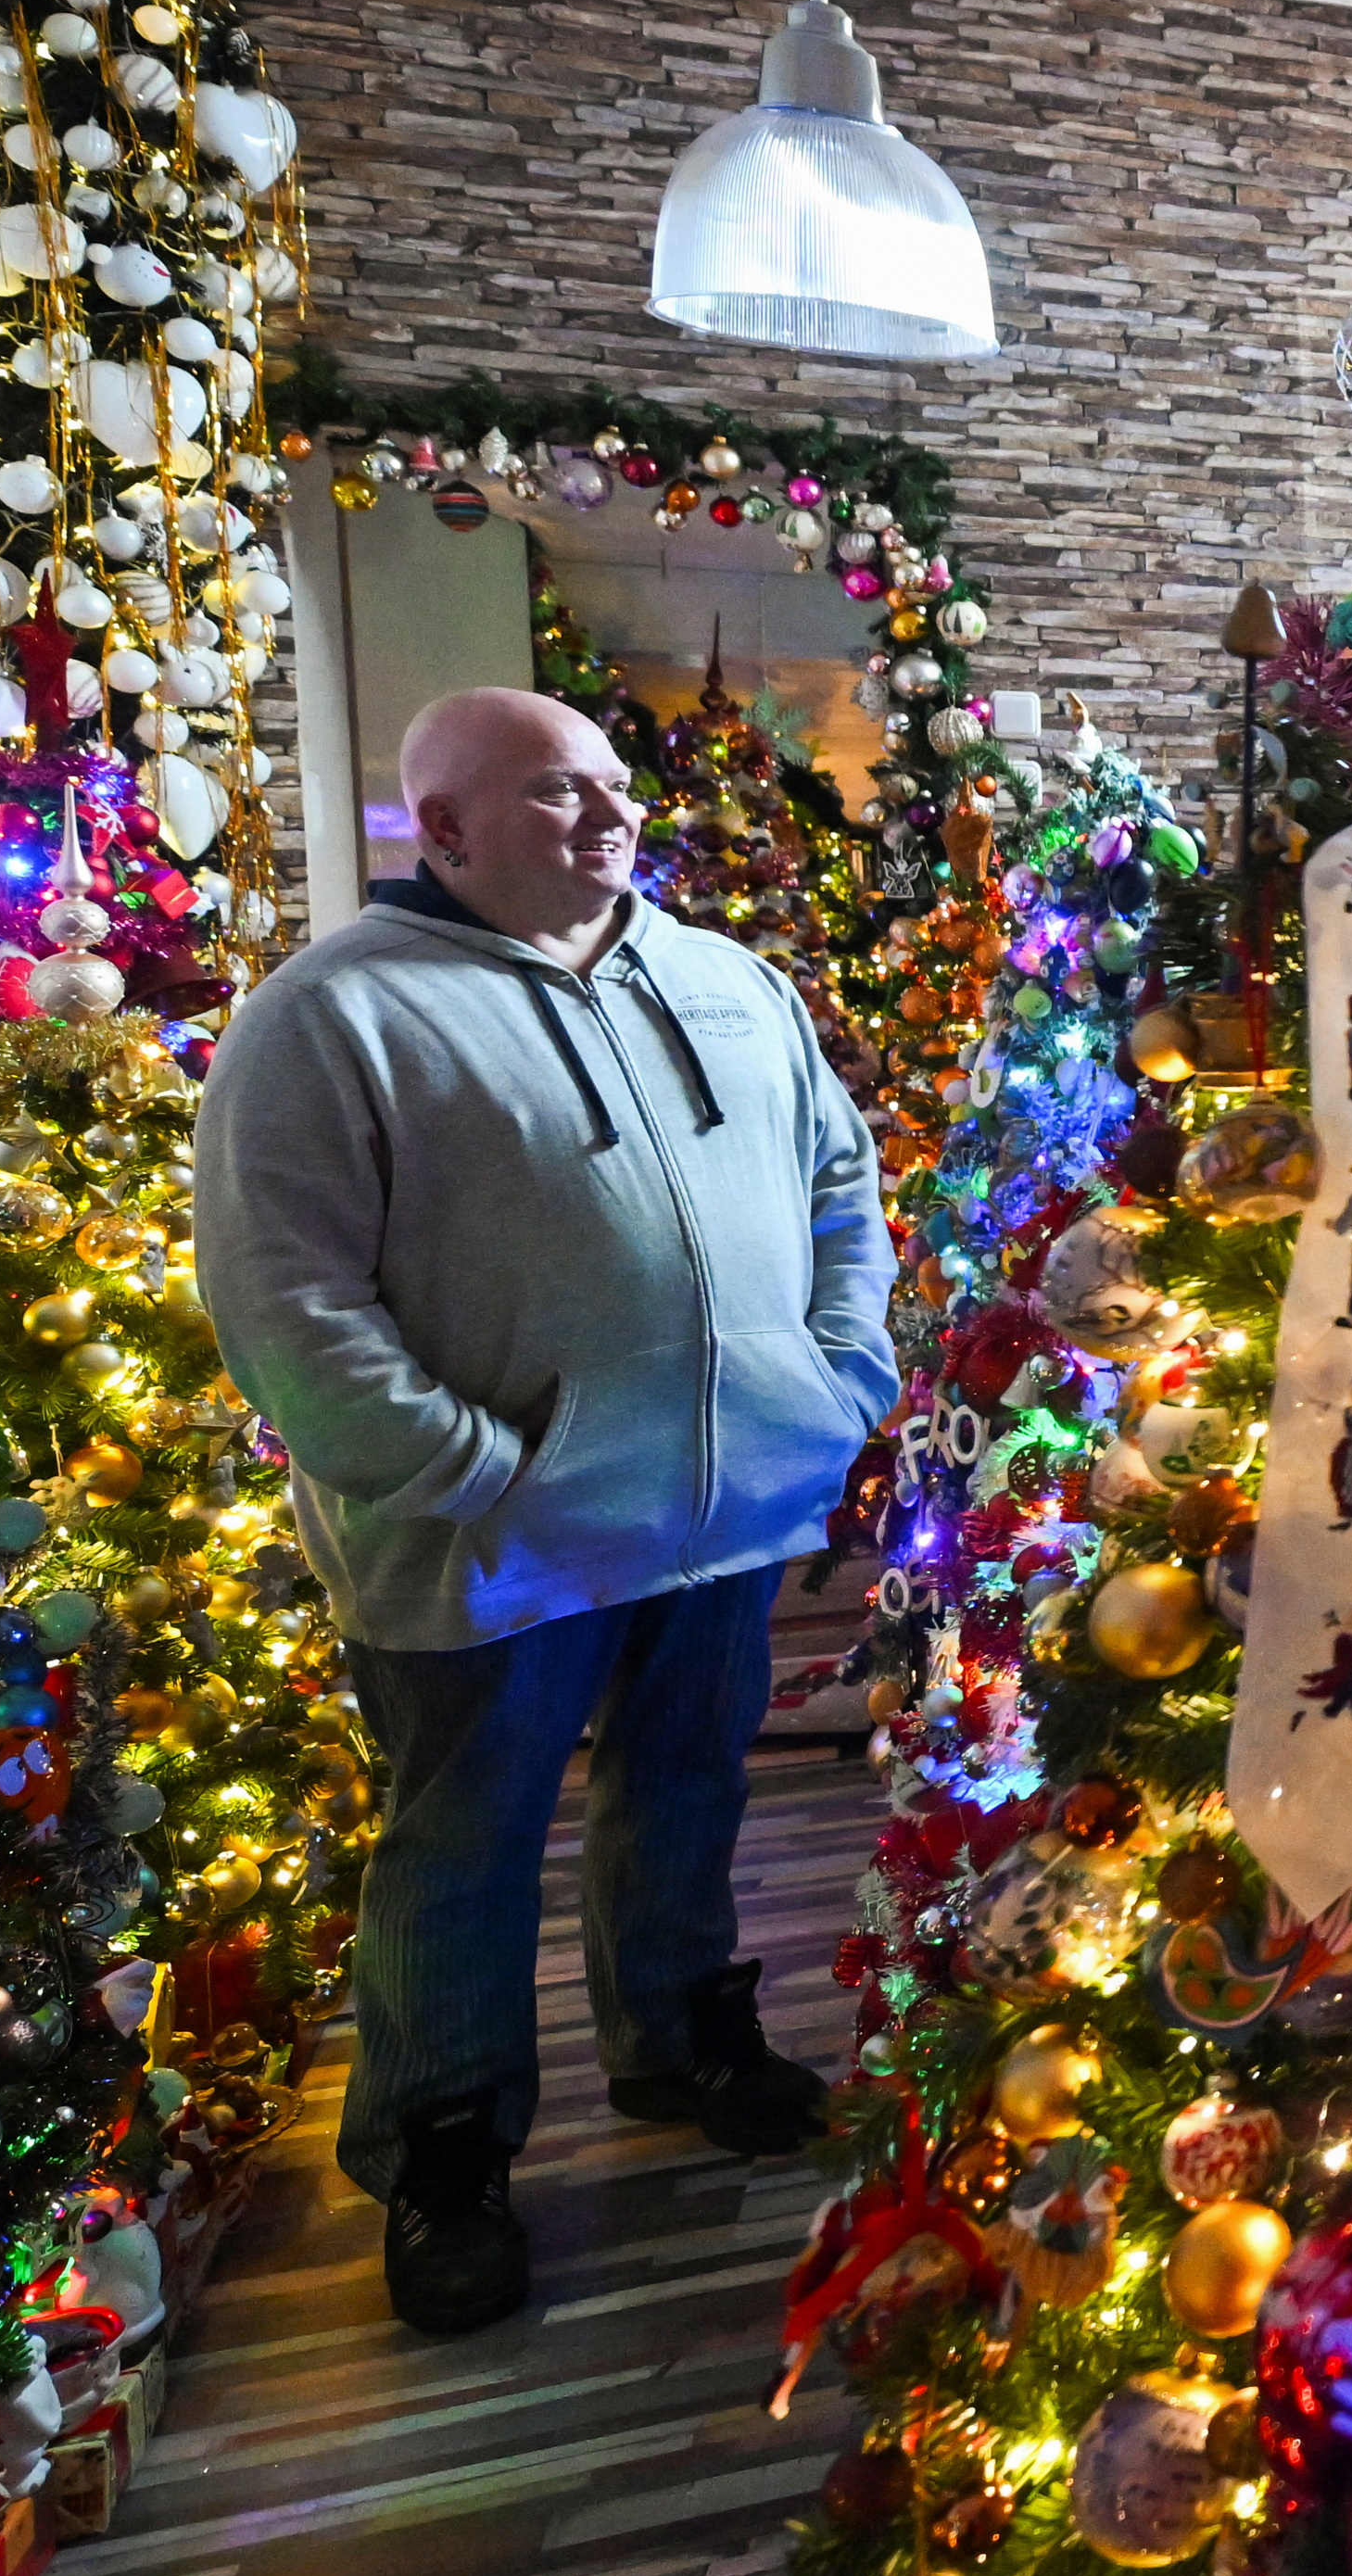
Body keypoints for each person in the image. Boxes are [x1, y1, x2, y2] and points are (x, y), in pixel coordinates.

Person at [196, 688, 895, 2333]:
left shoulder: (731, 981)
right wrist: (470, 1469)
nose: (610, 816)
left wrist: (845, 1378)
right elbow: (282, 1293)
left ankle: (678, 2036)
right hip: (489, 1541)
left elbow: (840, 1184)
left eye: (612, 785)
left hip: (727, 1510)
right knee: (464, 1842)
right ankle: (444, 2149)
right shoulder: (330, 1018)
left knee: (687, 1786)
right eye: (556, 795)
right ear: (439, 828)